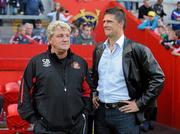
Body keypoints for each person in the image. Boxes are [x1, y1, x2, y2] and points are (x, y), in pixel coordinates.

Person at [92, 7, 165, 134]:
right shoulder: (98, 49)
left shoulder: (138, 49)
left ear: (121, 23)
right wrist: (94, 94)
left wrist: (139, 104)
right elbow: (95, 77)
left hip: (125, 114)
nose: (105, 25)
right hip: (100, 114)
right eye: (104, 21)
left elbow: (158, 78)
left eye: (109, 21)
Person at [18, 21, 94, 134]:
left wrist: (84, 115)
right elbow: (24, 95)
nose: (65, 39)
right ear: (50, 39)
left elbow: (88, 92)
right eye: (60, 36)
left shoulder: (80, 62)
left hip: (76, 128)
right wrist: (34, 120)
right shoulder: (36, 62)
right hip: (45, 129)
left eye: (67, 36)